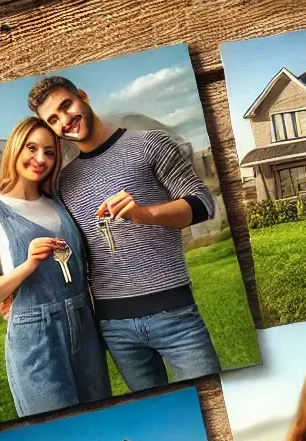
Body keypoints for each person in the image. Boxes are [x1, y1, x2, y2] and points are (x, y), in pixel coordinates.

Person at [28, 76, 222, 391]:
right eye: (53, 119)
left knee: (212, 398)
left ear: (83, 96)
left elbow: (203, 204)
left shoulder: (150, 144)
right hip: (114, 329)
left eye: (67, 105)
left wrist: (142, 213)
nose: (65, 120)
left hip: (175, 317)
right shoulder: (64, 181)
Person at [0, 116, 110, 417]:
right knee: (57, 428)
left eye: (49, 152)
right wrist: (29, 264)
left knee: (101, 420)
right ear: (15, 150)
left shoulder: (58, 203)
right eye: (31, 148)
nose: (40, 158)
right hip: (35, 336)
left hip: (84, 324)